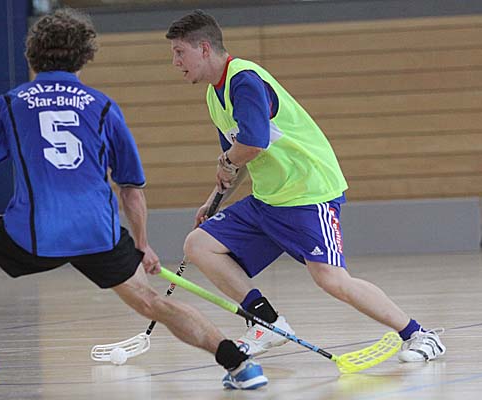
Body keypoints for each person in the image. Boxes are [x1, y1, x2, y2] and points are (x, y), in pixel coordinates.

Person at [0, 9, 267, 390]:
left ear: (32, 54)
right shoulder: (102, 106)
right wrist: (141, 244)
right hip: (98, 233)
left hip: (34, 233)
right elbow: (130, 189)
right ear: (84, 56)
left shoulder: (12, 103)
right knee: (152, 303)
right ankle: (239, 364)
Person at [166, 10, 445, 363]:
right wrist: (213, 201)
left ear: (204, 48)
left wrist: (228, 161)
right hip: (268, 199)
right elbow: (238, 160)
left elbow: (252, 144)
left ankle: (419, 334)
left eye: (180, 52)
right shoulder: (213, 96)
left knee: (331, 279)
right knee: (199, 244)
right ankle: (267, 323)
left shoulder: (244, 81)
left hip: (307, 193)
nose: (175, 62)